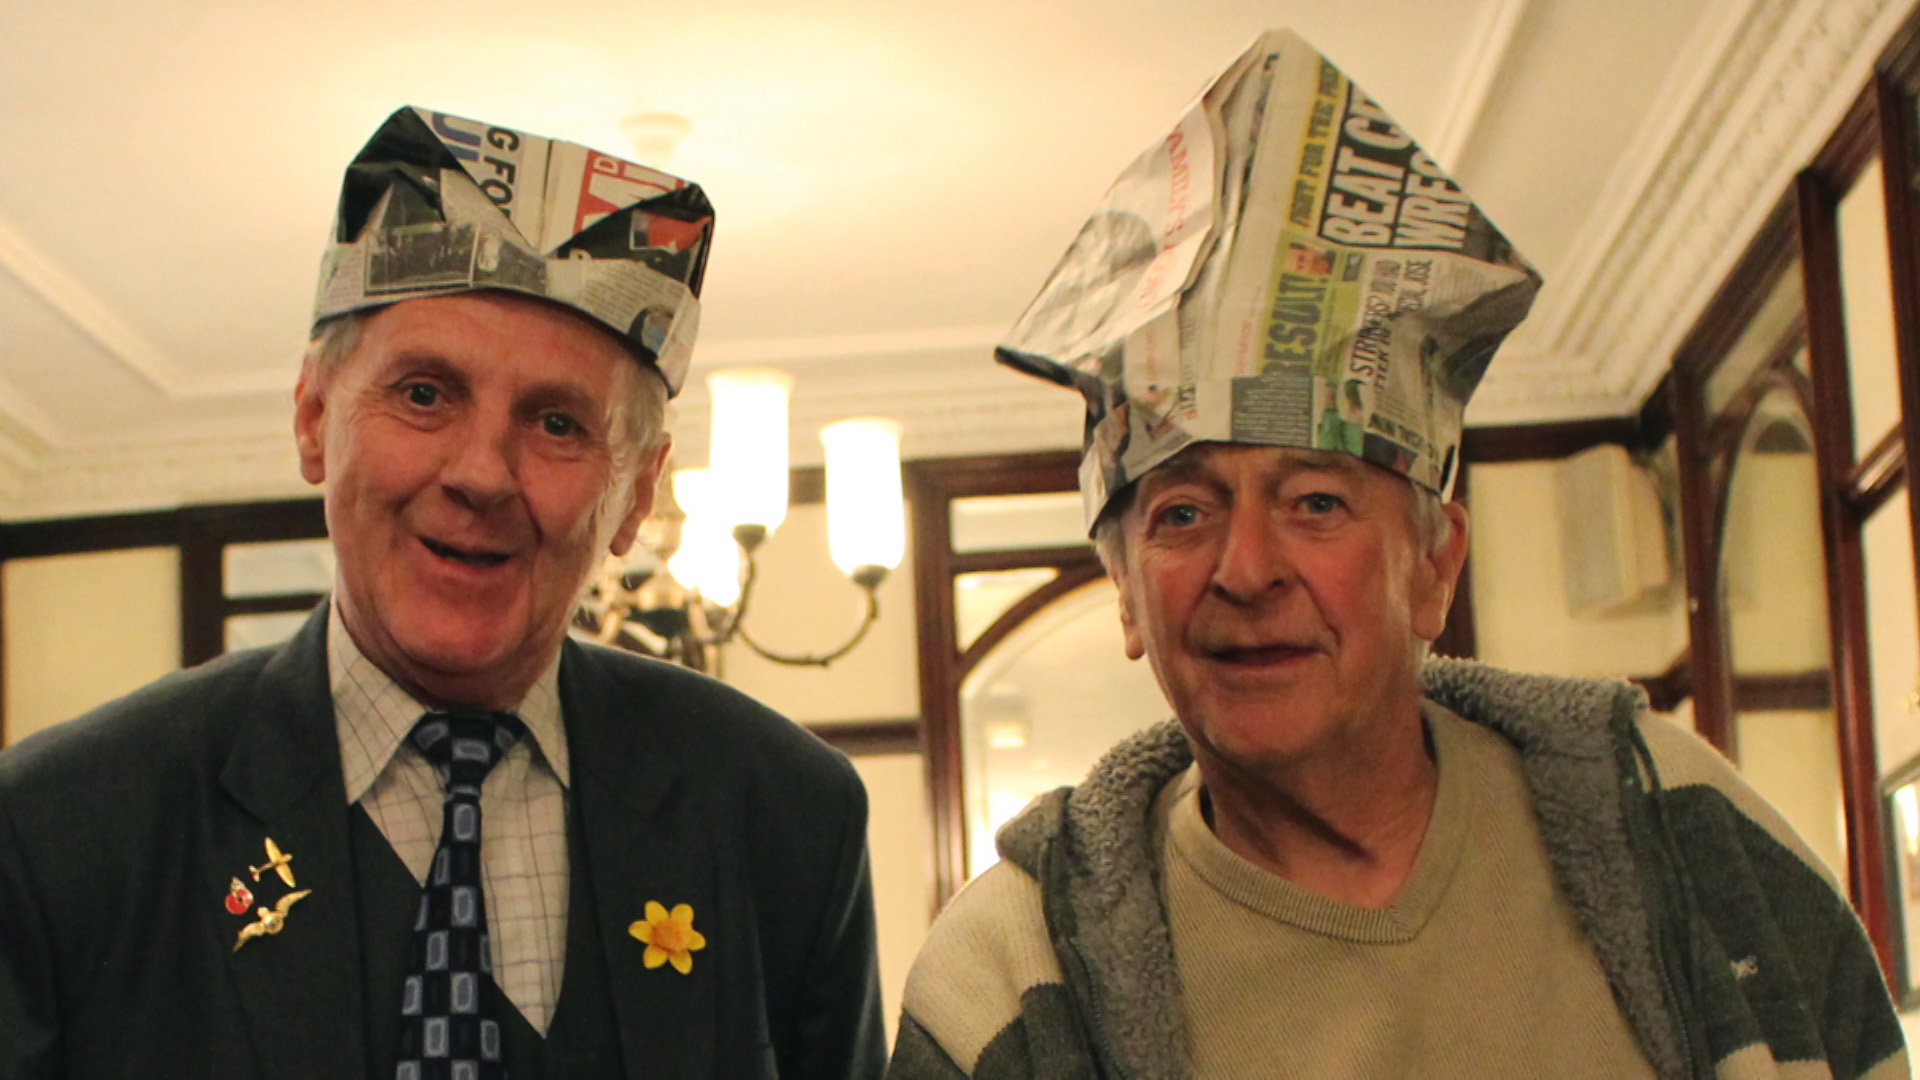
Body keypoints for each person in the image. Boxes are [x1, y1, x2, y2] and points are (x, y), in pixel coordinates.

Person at [888, 32, 1906, 1080]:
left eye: (1317, 502)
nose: (1246, 568)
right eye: (1183, 514)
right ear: (1127, 595)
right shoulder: (1008, 977)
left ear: (1434, 566)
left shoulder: (1681, 829)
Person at [0, 107, 885, 1079]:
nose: (481, 474)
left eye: (556, 423)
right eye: (424, 394)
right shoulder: (63, 831)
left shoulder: (785, 816)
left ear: (634, 494)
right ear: (312, 417)